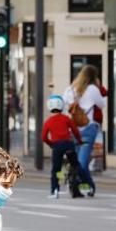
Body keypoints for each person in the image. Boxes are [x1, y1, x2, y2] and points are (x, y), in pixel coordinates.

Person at [63, 65, 106, 195]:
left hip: (73, 129)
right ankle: (84, 184)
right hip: (88, 128)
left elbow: (64, 104)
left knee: (79, 161)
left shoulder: (70, 89)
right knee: (82, 162)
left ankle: (81, 184)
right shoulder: (93, 89)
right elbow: (102, 104)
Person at [42, 94, 93, 199]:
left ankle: (54, 190)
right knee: (76, 165)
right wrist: (79, 141)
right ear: (62, 106)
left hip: (57, 146)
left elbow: (43, 137)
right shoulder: (66, 119)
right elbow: (75, 131)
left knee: (56, 169)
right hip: (68, 144)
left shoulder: (48, 122)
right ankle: (87, 186)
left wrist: (51, 143)